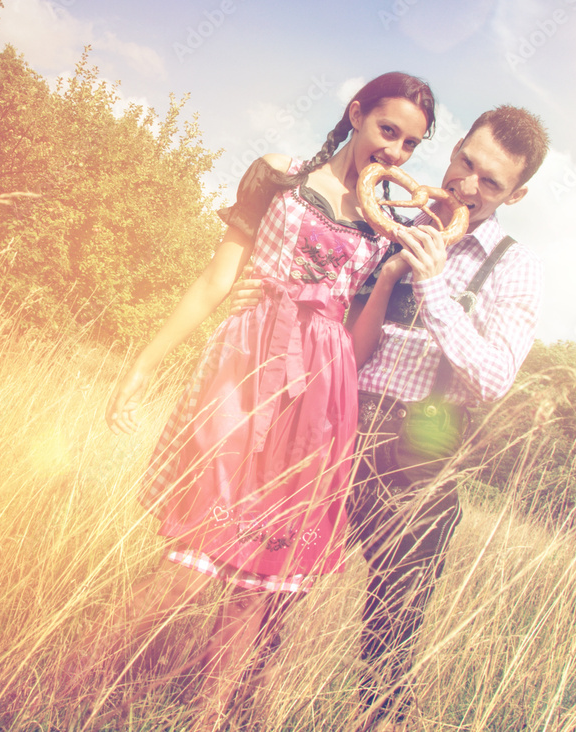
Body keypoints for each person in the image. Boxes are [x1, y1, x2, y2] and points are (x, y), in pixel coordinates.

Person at [104, 72, 436, 730]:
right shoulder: (280, 175)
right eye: (387, 130)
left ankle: (208, 717)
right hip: (245, 372)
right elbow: (216, 278)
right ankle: (73, 681)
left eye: (410, 145)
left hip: (320, 398)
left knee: (259, 587)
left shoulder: (389, 232)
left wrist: (394, 272)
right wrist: (144, 362)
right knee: (190, 563)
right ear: (357, 113)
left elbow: (356, 342)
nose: (394, 152)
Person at [231, 104, 550, 731]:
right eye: (466, 164)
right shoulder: (385, 224)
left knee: (392, 632)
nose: (467, 187)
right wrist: (257, 290)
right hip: (335, 426)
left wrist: (431, 283)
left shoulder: (515, 265)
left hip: (423, 453)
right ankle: (242, 714)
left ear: (518, 195)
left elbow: (491, 378)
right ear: (455, 148)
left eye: (492, 184)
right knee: (272, 589)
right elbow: (323, 307)